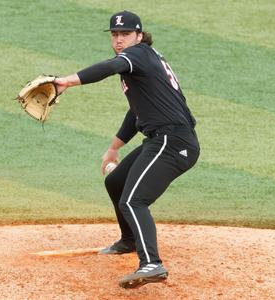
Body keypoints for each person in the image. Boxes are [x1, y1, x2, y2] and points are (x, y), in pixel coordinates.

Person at [54, 10, 200, 289]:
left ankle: (152, 264)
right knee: (116, 182)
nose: (119, 40)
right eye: (115, 35)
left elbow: (107, 67)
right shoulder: (139, 64)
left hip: (173, 142)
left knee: (133, 200)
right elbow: (137, 112)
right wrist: (112, 149)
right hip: (162, 139)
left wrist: (66, 81)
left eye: (125, 34)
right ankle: (129, 240)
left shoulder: (139, 55)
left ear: (139, 36)